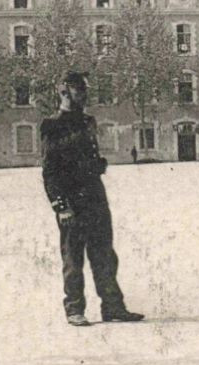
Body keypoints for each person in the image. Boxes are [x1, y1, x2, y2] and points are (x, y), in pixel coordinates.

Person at [41, 71, 144, 327]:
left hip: (95, 198)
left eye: (84, 90)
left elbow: (89, 156)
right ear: (64, 92)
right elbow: (50, 171)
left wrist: (97, 165)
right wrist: (61, 206)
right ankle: (74, 309)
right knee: (73, 258)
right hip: (72, 201)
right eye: (79, 91)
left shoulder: (89, 121)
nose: (84, 96)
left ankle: (113, 307)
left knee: (105, 255)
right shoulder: (52, 125)